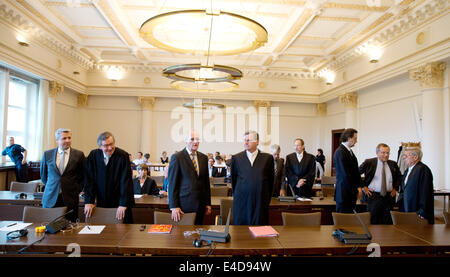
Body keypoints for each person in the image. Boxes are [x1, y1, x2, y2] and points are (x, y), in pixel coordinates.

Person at [84, 131, 135, 223]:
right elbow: (89, 180)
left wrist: (123, 204)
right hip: (101, 201)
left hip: (120, 202)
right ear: (100, 147)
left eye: (111, 144)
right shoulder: (93, 156)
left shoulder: (123, 155)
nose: (110, 148)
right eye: (106, 145)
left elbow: (126, 181)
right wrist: (89, 201)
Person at [40, 128, 86, 222]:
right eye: (64, 138)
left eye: (69, 138)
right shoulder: (47, 154)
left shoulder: (79, 155)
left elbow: (83, 176)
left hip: (70, 198)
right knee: (49, 228)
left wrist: (77, 190)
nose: (68, 140)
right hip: (51, 196)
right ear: (57, 140)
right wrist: (53, 185)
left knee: (70, 228)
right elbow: (44, 176)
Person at [231, 131, 274, 225]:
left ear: (257, 142)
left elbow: (271, 181)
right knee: (241, 233)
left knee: (260, 230)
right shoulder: (236, 158)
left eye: (248, 140)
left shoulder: (267, 158)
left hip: (260, 202)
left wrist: (266, 198)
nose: (245, 143)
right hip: (242, 201)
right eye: (244, 140)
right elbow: (234, 180)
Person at [168, 130, 211, 224]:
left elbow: (206, 183)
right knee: (184, 236)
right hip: (184, 205)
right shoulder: (177, 157)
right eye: (192, 139)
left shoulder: (204, 158)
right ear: (186, 141)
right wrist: (174, 206)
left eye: (197, 139)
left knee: (198, 232)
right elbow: (172, 184)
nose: (195, 142)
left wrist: (208, 203)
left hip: (201, 205)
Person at [359, 143, 401, 224]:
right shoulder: (369, 162)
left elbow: (399, 177)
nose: (386, 155)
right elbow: (356, 174)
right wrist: (363, 187)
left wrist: (395, 188)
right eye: (383, 152)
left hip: (389, 197)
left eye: (388, 153)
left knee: (388, 221)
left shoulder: (393, 164)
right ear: (377, 153)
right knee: (374, 220)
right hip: (373, 196)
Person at [398, 147, 434, 224]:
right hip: (407, 209)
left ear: (415, 157)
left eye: (406, 156)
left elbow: (425, 191)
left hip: (418, 211)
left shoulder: (423, 169)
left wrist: (422, 210)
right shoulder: (408, 170)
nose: (404, 158)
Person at [333, 128, 362, 213]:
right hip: (344, 193)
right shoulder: (340, 152)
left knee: (349, 222)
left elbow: (355, 171)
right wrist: (356, 189)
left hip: (350, 192)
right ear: (349, 138)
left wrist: (359, 186)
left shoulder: (349, 151)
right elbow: (345, 174)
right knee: (343, 222)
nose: (356, 141)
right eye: (355, 138)